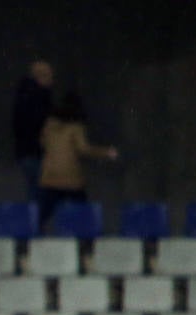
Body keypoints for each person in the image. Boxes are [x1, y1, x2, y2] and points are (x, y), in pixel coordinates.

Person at [37, 91, 118, 229]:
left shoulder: (49, 126)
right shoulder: (75, 127)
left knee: (43, 213)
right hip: (71, 179)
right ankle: (85, 242)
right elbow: (83, 149)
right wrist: (106, 152)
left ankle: (28, 242)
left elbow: (42, 143)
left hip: (49, 177)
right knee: (82, 212)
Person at [12, 59, 54, 202]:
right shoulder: (38, 97)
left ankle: (35, 221)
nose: (51, 80)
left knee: (36, 192)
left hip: (27, 151)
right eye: (48, 76)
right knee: (39, 193)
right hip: (35, 151)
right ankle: (36, 222)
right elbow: (38, 123)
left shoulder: (25, 95)